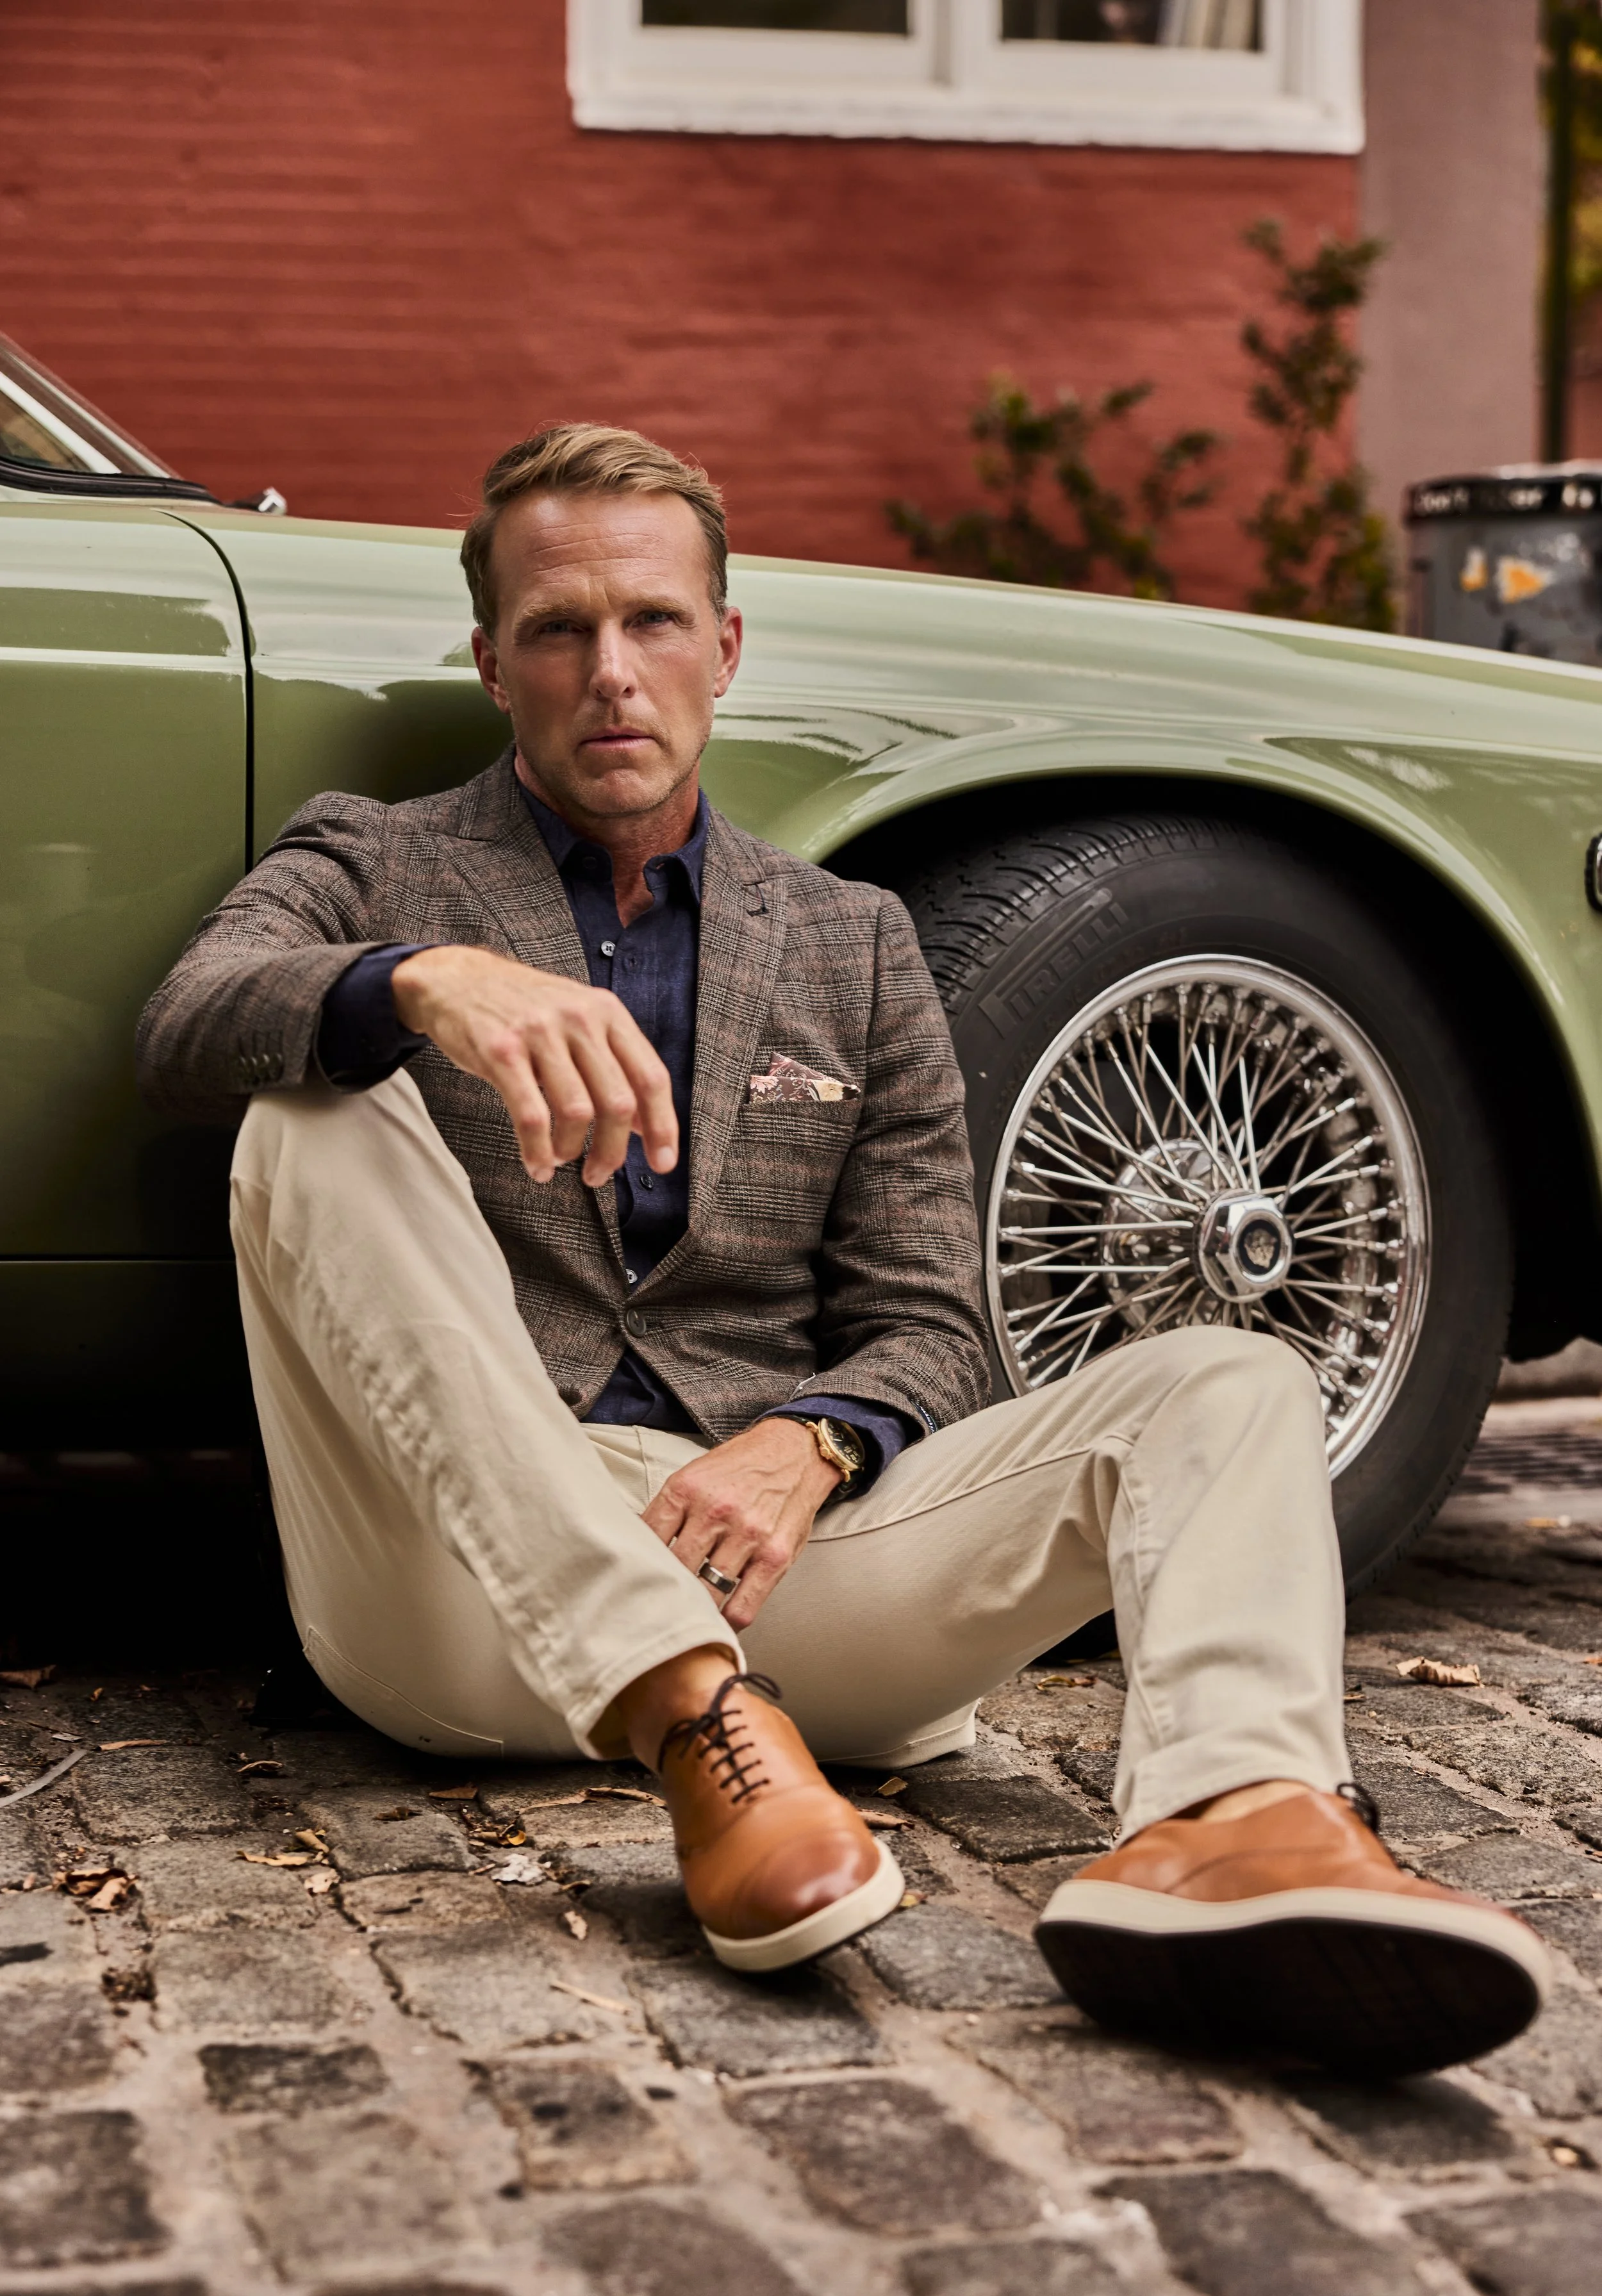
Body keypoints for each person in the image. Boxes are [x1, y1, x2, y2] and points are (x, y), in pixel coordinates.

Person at [137, 423, 1549, 2074]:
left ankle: (1239, 1821)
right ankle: (681, 1716)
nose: (612, 671)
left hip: (786, 1580)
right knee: (305, 1107)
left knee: (1227, 1380)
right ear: (491, 662)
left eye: (655, 622)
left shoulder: (849, 942)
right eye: (558, 630)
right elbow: (189, 1022)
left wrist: (811, 1443)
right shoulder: (372, 859)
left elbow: (935, 1322)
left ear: (724, 648)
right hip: (471, 1586)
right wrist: (414, 983)